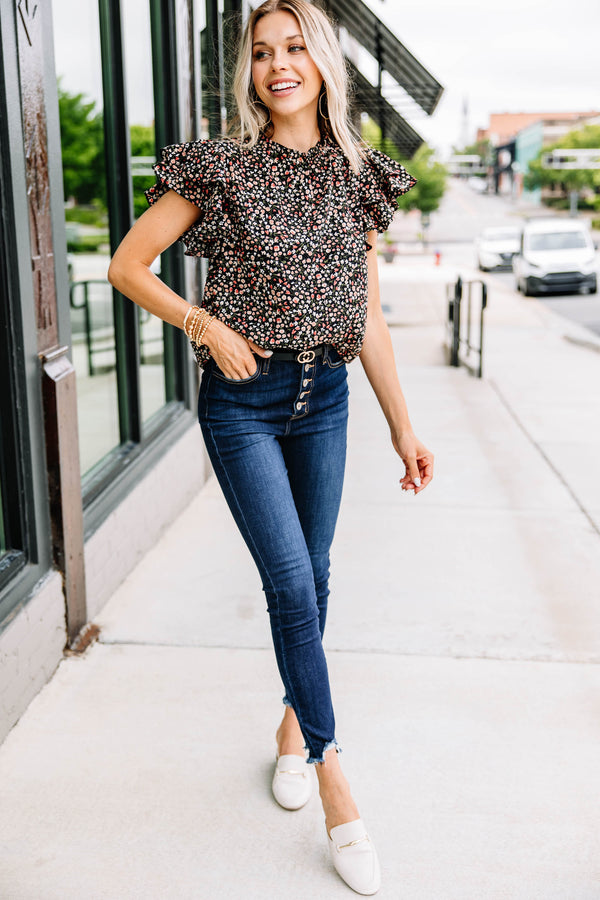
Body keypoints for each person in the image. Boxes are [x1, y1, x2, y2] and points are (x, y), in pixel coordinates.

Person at [108, 0, 433, 893]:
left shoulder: (359, 175)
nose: (277, 65)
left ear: (322, 60)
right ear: (248, 72)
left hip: (324, 398)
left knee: (317, 576)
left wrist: (403, 424)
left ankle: (292, 729)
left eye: (294, 48)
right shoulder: (220, 166)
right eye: (261, 53)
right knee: (290, 586)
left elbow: (365, 316)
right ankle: (337, 784)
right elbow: (128, 266)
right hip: (243, 407)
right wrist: (202, 322)